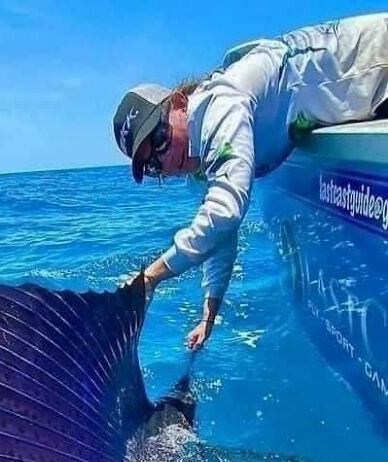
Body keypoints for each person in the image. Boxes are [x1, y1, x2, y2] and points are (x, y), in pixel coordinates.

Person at [113, 14, 388, 349]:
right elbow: (220, 233)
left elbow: (225, 212)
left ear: (179, 103)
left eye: (160, 138)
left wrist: (151, 277)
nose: (165, 160)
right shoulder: (204, 156)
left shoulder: (219, 103)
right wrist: (209, 312)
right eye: (153, 164)